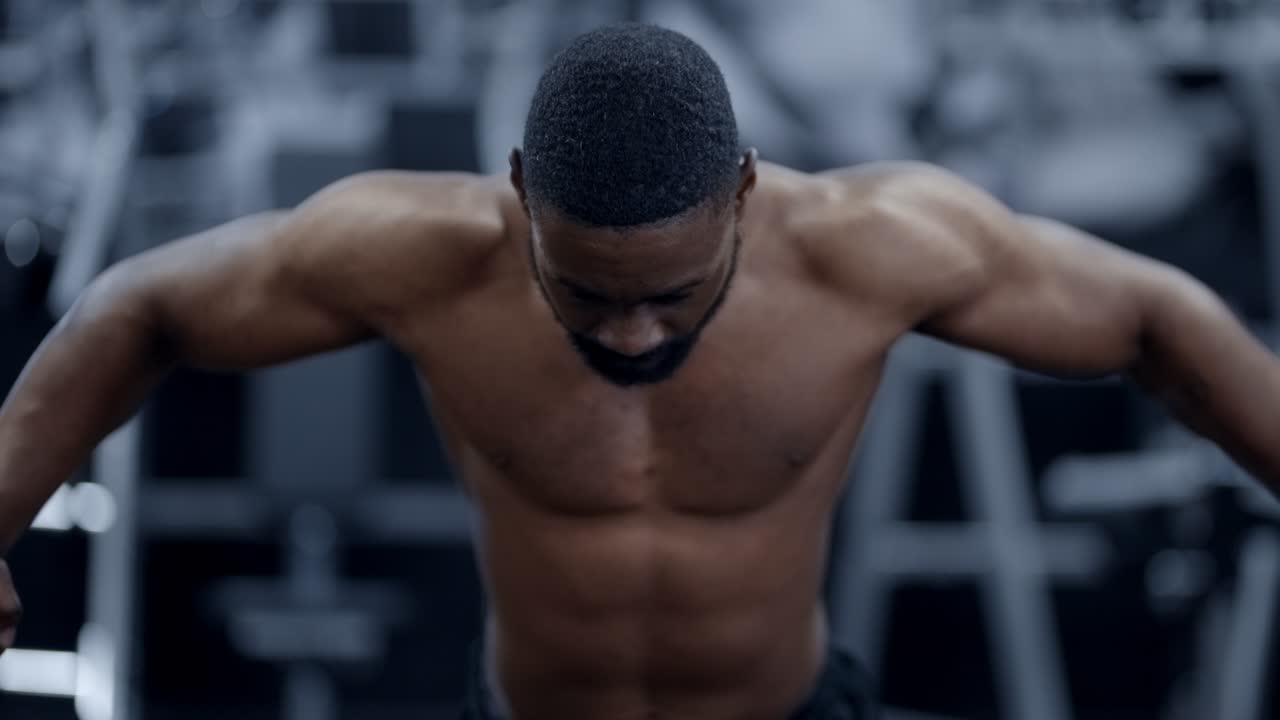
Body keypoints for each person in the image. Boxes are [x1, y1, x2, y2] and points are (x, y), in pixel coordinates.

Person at [1, 22, 1277, 720]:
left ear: (739, 195)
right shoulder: (425, 253)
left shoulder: (871, 248)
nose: (628, 337)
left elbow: (1154, 321)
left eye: (670, 295)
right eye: (588, 294)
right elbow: (147, 308)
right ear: (517, 197)